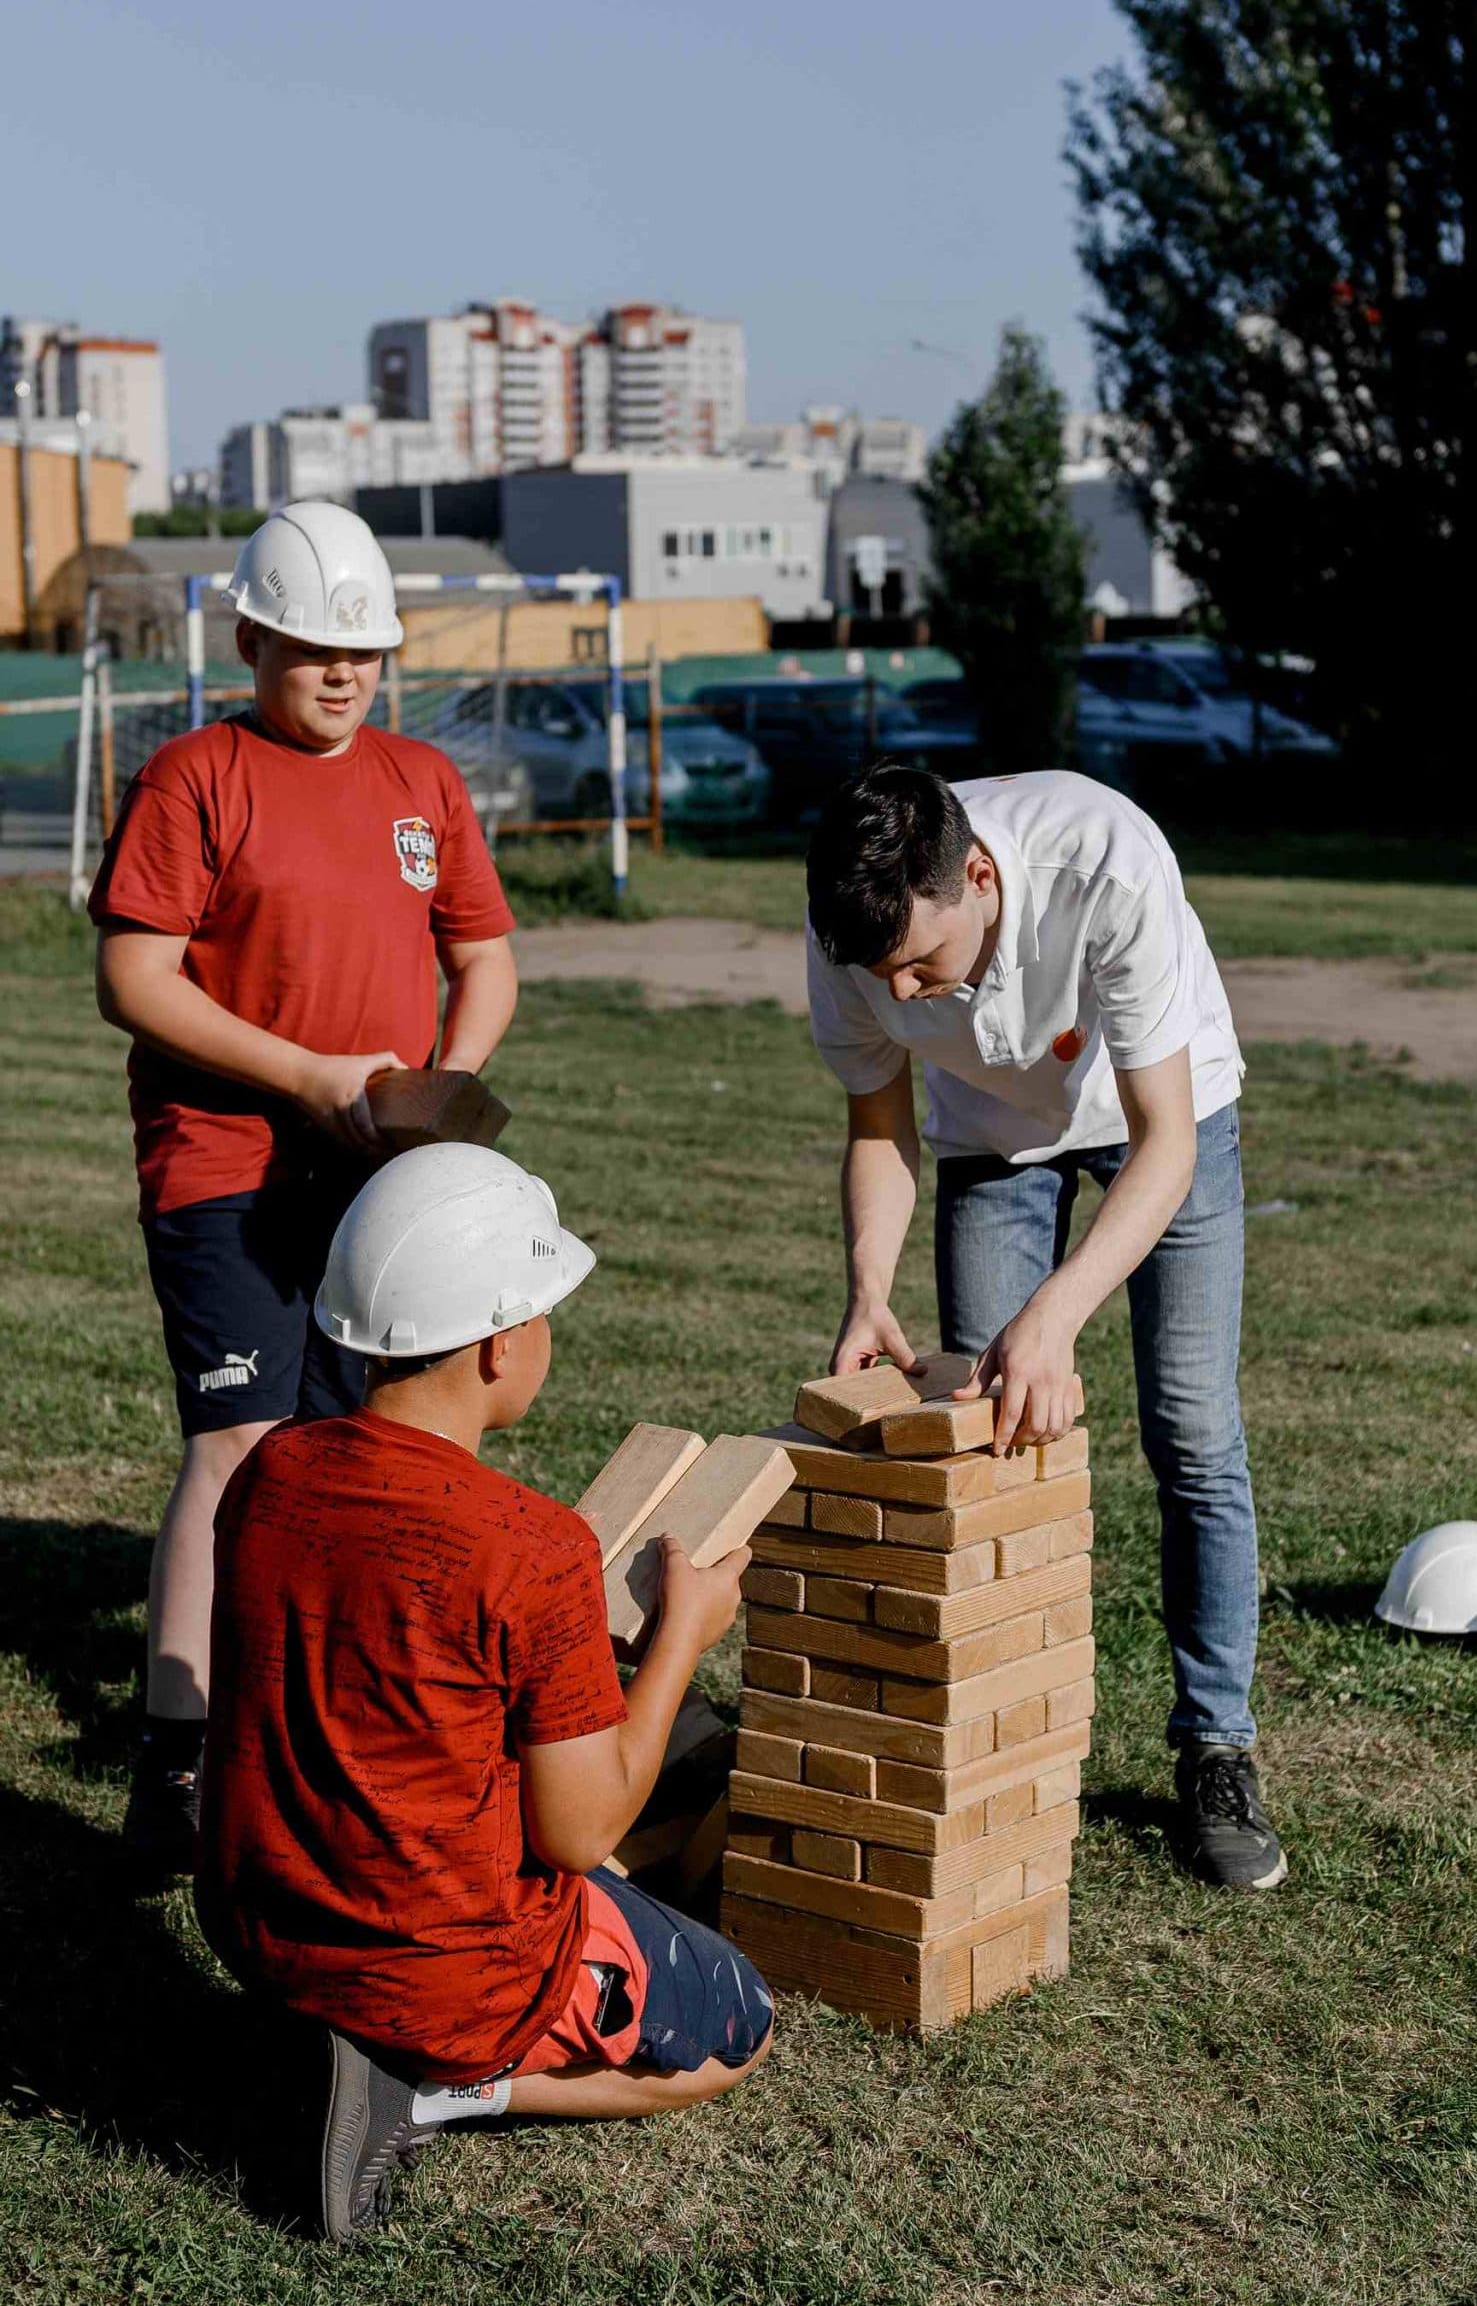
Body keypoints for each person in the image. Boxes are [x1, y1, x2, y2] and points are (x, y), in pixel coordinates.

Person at [195, 1145, 771, 2242]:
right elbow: (579, 1828)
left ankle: (335, 2036)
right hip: (448, 1973)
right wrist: (680, 1639)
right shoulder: (529, 1545)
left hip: (259, 1925)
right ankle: (427, 2088)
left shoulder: (270, 1471)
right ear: (504, 1340)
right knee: (733, 2028)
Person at [87, 502, 518, 1881]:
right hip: (224, 1163)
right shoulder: (196, 775)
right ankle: (178, 1752)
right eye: (316, 648)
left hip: (379, 1164)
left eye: (367, 652)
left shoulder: (422, 782)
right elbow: (133, 981)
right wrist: (306, 1075)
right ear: (250, 637)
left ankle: (330, 1724)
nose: (344, 675)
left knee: (370, 1452)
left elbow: (487, 956)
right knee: (240, 1444)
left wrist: (436, 1090)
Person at [804, 761, 1285, 1891]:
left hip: (1162, 1114)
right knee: (984, 1437)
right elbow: (879, 1125)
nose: (910, 995)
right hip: (988, 1142)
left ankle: (1214, 1745)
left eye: (924, 962)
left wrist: (1055, 1314)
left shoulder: (1104, 857)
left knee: (1191, 1431)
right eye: (888, 976)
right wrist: (868, 1284)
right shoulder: (848, 929)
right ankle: (997, 1739)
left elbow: (1164, 1137)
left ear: (976, 874)